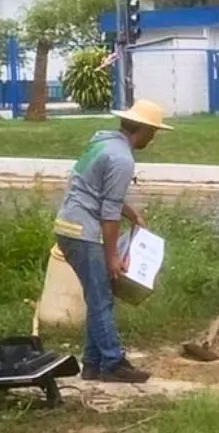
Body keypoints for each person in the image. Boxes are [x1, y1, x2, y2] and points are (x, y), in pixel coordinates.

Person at [52, 98, 172, 384]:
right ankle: (112, 363)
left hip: (70, 225)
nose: (153, 138)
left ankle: (92, 363)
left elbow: (100, 192)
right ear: (141, 129)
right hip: (84, 232)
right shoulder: (122, 159)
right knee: (101, 299)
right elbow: (108, 215)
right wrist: (113, 257)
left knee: (97, 298)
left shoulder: (102, 142)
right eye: (152, 132)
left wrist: (133, 215)